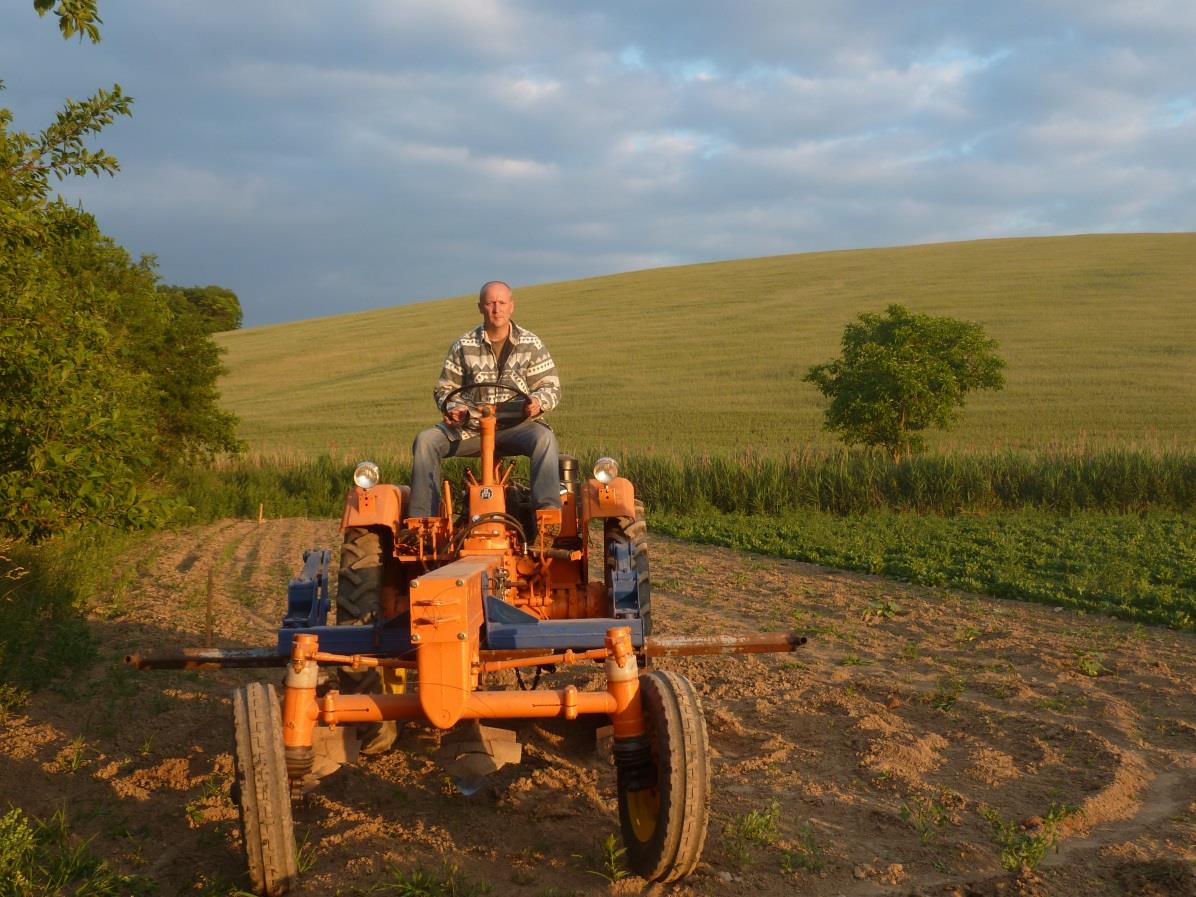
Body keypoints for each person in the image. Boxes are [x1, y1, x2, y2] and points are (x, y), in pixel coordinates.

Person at [408, 280, 562, 525]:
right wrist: (452, 408)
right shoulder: (463, 346)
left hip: (516, 427)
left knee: (544, 439)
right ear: (480, 307)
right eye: (490, 303)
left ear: (512, 306)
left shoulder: (531, 344)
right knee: (426, 441)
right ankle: (423, 523)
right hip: (472, 429)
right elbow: (445, 388)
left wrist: (537, 401)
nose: (496, 309)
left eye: (502, 303)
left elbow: (550, 386)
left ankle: (547, 517)